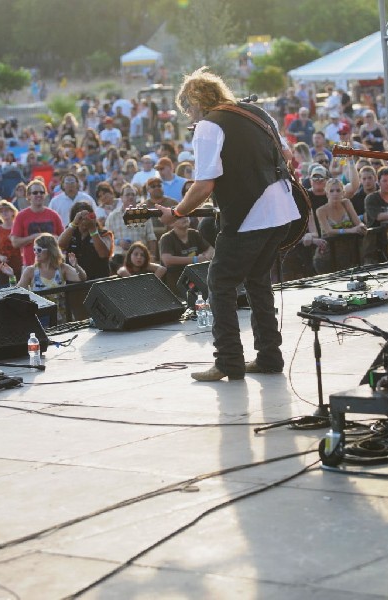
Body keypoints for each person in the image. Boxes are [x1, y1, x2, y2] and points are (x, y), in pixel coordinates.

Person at [156, 67, 300, 381]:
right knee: (257, 279)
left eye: (187, 108)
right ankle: (269, 357)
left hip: (251, 215)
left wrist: (176, 214)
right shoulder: (256, 112)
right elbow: (288, 156)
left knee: (219, 282)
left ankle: (228, 361)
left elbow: (204, 185)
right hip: (283, 211)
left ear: (195, 102)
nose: (189, 115)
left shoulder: (209, 126)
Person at [0, 232, 86, 323]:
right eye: (34, 249)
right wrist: (11, 276)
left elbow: (82, 278)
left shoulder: (62, 268)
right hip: (40, 320)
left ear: (50, 250)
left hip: (62, 320)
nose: (35, 252)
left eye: (39, 250)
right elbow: (17, 293)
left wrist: (76, 266)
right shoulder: (30, 271)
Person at [314, 178, 367, 274]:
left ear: (343, 192)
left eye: (338, 190)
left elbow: (358, 222)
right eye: (331, 191)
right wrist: (351, 230)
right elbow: (329, 231)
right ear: (327, 194)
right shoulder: (321, 211)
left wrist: (362, 227)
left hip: (347, 253)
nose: (335, 193)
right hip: (327, 256)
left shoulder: (346, 203)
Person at [10, 179, 64, 267]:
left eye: (42, 192)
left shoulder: (54, 215)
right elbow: (15, 243)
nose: (39, 195)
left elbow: (63, 241)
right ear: (28, 196)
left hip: (53, 265)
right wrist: (33, 237)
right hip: (31, 266)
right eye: (35, 193)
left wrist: (53, 238)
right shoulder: (21, 216)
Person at [159, 216, 214, 296]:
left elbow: (211, 249)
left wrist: (206, 257)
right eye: (179, 217)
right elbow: (167, 260)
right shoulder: (166, 238)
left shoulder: (194, 234)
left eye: (186, 215)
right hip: (176, 282)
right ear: (171, 223)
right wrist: (195, 260)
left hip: (196, 278)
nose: (184, 218)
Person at [58, 201, 114, 280]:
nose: (84, 220)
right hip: (74, 282)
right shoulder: (70, 232)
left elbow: (103, 254)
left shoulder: (103, 234)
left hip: (97, 280)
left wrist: (92, 229)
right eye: (80, 218)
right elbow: (60, 245)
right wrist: (73, 224)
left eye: (87, 217)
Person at [106, 182, 157, 258]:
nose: (131, 197)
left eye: (133, 195)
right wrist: (118, 242)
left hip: (140, 257)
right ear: (121, 198)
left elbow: (151, 238)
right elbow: (107, 239)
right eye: (127, 195)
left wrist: (152, 256)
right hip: (119, 256)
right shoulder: (113, 216)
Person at [0, 200, 22, 286]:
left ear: (12, 211)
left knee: (20, 292)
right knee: (4, 293)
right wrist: (0, 256)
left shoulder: (19, 227)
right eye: (1, 211)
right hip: (3, 267)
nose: (4, 213)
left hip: (18, 266)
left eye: (6, 210)